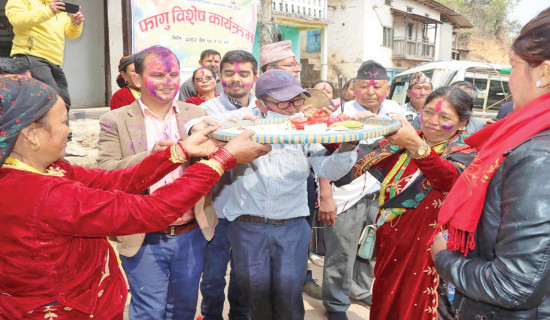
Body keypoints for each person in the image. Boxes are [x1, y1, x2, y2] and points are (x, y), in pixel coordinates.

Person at [0, 74, 270, 319]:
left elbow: (116, 181)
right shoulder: (43, 194)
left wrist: (181, 151)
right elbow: (152, 210)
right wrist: (222, 160)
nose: (69, 130)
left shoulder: (51, 170)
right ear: (30, 133)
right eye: (63, 122)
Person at [431, 8, 550, 319]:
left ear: (543, 73)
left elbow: (515, 285)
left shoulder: (537, 156)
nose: (509, 80)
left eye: (513, 67)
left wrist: (444, 258)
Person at [215, 69, 358, 320]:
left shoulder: (306, 128)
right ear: (260, 103)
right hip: (248, 227)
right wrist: (231, 126)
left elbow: (329, 170)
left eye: (298, 100)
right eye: (283, 103)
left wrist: (349, 142)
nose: (293, 108)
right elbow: (198, 122)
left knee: (290, 299)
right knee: (253, 299)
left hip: (292, 227)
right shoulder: (241, 122)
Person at [96, 46, 222, 319]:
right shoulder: (115, 121)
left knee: (184, 310)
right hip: (144, 236)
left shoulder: (196, 116)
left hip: (191, 234)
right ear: (138, 79)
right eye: (158, 74)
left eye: (173, 74)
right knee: (149, 312)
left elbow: (222, 154)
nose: (168, 81)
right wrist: (153, 158)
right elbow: (105, 174)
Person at [337, 86, 476, 319]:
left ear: (462, 123)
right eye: (429, 112)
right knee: (386, 304)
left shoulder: (466, 152)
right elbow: (353, 166)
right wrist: (351, 134)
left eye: (444, 117)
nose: (432, 121)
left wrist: (415, 145)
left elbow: (447, 178)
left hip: (428, 252)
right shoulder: (400, 144)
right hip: (390, 245)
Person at [320, 60, 404, 320]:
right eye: (364, 86)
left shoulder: (394, 112)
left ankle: (361, 289)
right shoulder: (337, 115)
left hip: (381, 196)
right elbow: (319, 158)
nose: (370, 91)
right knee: (341, 253)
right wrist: (326, 197)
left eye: (377, 86)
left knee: (370, 248)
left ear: (387, 89)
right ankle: (335, 304)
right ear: (353, 87)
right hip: (345, 195)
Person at [188, 50, 258, 320]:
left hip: (250, 210)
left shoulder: (264, 110)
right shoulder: (207, 110)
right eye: (229, 73)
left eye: (243, 73)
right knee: (213, 279)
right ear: (220, 77)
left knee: (243, 279)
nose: (236, 79)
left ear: (254, 76)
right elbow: (197, 127)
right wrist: (238, 120)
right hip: (216, 209)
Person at [260, 40, 323, 299]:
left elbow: (322, 160)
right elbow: (200, 121)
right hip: (253, 221)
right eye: (289, 66)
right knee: (255, 288)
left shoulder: (303, 120)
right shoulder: (247, 120)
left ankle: (301, 277)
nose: (296, 70)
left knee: (289, 288)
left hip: (295, 206)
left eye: (295, 65)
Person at [6, 0, 85, 110]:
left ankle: (60, 127)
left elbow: (70, 34)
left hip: (55, 61)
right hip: (31, 57)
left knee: (64, 102)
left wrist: (75, 23)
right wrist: (48, 10)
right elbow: (17, 20)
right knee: (53, 100)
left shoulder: (58, 6)